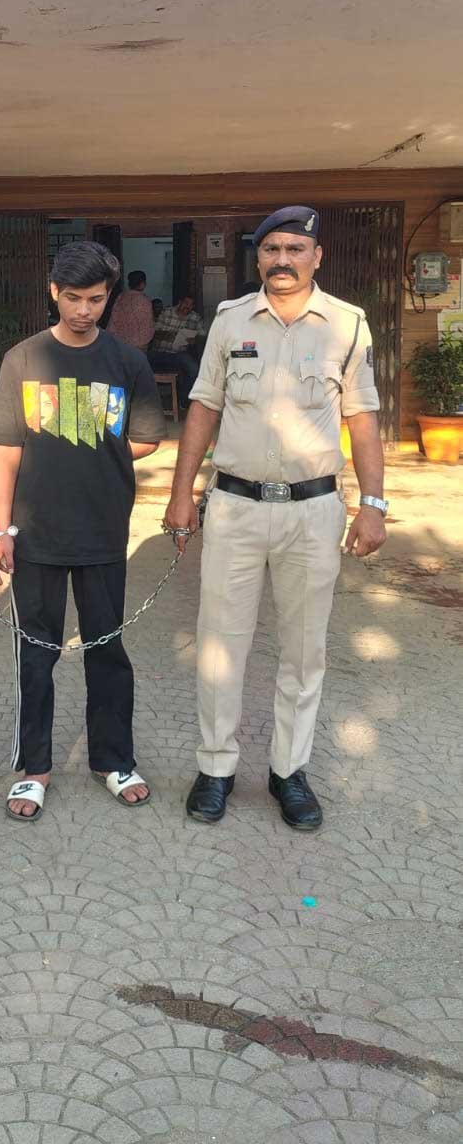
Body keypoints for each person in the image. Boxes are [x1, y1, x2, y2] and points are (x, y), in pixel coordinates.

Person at [165, 207, 387, 832]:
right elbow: (204, 406)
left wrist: (373, 504)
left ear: (317, 256)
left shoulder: (347, 324)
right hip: (234, 507)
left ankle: (289, 771)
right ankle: (216, 767)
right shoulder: (230, 319)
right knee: (219, 645)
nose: (282, 260)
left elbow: (362, 417)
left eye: (295, 248)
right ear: (257, 257)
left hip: (313, 512)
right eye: (271, 249)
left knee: (304, 649)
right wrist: (181, 493)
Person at [0, 241, 165, 821]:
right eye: (74, 298)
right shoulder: (23, 359)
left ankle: (113, 760)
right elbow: (6, 451)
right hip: (36, 533)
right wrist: (3, 530)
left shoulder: (127, 362)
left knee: (107, 650)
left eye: (97, 299)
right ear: (54, 292)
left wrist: (94, 457)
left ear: (109, 298)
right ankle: (33, 768)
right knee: (36, 653)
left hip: (103, 531)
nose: (85, 310)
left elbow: (146, 438)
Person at [149, 293, 205, 410]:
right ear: (180, 302)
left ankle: (184, 401)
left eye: (191, 305)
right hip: (159, 352)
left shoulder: (195, 318)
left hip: (178, 354)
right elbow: (153, 332)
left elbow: (203, 336)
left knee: (194, 369)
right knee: (142, 361)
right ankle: (146, 403)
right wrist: (169, 335)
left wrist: (195, 340)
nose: (187, 307)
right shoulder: (167, 312)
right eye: (186, 303)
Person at [106, 270, 155, 351]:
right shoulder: (143, 300)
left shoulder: (121, 297)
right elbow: (147, 325)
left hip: (120, 344)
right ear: (142, 284)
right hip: (138, 345)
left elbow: (113, 320)